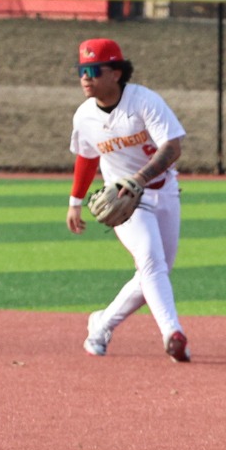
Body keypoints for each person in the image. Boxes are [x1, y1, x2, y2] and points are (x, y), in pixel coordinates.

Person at [66, 36, 191, 363]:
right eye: (81, 69)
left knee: (157, 271)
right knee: (150, 259)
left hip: (163, 191)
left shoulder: (144, 101)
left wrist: (140, 179)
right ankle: (172, 333)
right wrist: (75, 200)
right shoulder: (84, 116)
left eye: (93, 69)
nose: (85, 77)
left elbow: (173, 148)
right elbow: (86, 156)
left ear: (116, 73)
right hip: (124, 200)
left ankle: (102, 324)